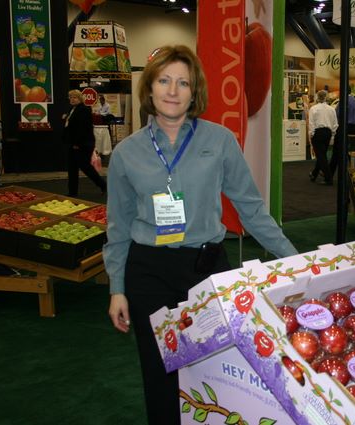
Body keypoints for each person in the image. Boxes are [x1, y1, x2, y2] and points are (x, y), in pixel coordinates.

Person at [104, 45, 297, 425]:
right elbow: (119, 226)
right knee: (160, 374)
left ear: (195, 92)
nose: (172, 90)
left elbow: (251, 208)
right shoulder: (127, 153)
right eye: (164, 80)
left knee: (214, 372)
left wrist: (293, 259)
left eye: (183, 83)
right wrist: (117, 288)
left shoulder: (220, 141)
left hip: (206, 271)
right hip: (149, 272)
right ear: (149, 87)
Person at [63, 89, 107, 197]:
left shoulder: (84, 109)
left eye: (75, 97)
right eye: (71, 97)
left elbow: (83, 128)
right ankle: (72, 193)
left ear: (80, 98)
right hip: (72, 143)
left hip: (83, 144)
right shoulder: (72, 109)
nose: (72, 99)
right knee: (72, 168)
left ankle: (104, 185)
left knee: (85, 167)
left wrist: (77, 143)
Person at [308, 89, 337, 185]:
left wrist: (311, 134)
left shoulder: (313, 108)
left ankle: (328, 178)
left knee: (321, 156)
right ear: (326, 97)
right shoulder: (331, 109)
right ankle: (314, 174)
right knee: (322, 154)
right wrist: (332, 135)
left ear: (317, 97)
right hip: (328, 133)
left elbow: (311, 123)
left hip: (318, 133)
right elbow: (335, 124)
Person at [330, 86, 355, 180]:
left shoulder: (343, 101)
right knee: (352, 151)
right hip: (354, 128)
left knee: (336, 151)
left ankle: (330, 174)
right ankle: (354, 174)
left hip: (344, 127)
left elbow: (337, 114)